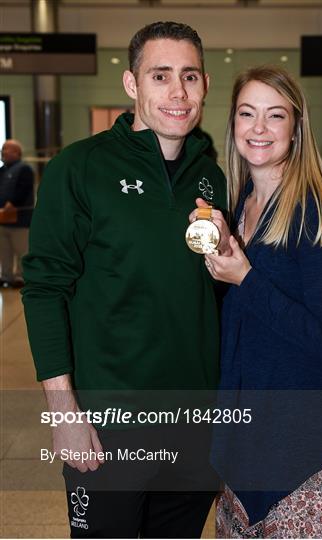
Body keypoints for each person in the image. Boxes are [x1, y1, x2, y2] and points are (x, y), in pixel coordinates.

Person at [22, 21, 227, 538]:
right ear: (132, 85)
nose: (177, 92)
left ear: (205, 85)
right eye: (160, 76)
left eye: (190, 76)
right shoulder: (80, 168)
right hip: (108, 426)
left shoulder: (212, 177)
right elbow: (45, 288)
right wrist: (62, 408)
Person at [190, 66, 322, 538]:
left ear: (296, 127)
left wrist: (245, 275)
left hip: (305, 444)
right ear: (232, 123)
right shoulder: (241, 204)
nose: (259, 128)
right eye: (247, 114)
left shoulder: (320, 215)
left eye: (275, 116)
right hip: (246, 433)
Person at [0, 139, 34, 288]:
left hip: (21, 219)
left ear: (17, 153)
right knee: (4, 251)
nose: (3, 152)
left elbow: (23, 189)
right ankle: (6, 276)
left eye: (7, 149)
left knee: (22, 250)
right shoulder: (2, 170)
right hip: (3, 219)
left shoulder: (25, 169)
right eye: (3, 149)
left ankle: (21, 276)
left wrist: (12, 203)